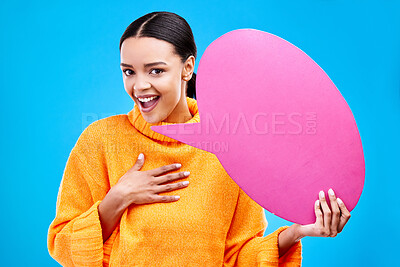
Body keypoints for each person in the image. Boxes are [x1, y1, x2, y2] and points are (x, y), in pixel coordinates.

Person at [47, 11, 351, 266]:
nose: (139, 86)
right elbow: (62, 244)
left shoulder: (228, 147)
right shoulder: (101, 140)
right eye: (129, 72)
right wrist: (118, 198)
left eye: (155, 71)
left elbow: (237, 256)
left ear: (187, 68)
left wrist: (296, 232)